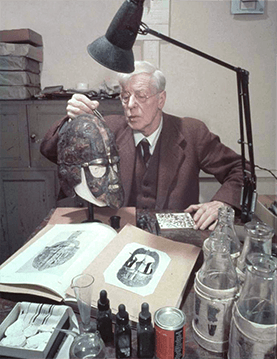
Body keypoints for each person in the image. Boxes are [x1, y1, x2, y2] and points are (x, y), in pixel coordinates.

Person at [40, 61, 246, 230]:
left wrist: (222, 204)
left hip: (171, 239)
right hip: (117, 231)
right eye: (125, 96)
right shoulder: (107, 129)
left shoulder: (191, 132)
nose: (130, 106)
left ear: (160, 100)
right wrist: (71, 121)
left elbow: (241, 170)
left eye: (141, 96)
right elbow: (50, 151)